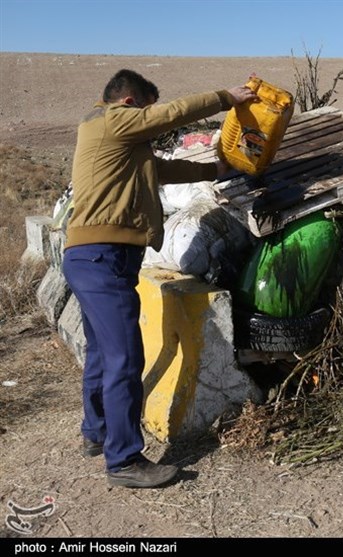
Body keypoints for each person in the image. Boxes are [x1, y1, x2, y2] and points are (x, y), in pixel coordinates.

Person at [62, 69, 257, 489]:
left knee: (102, 354)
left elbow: (161, 172)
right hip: (102, 256)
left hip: (93, 257)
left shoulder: (115, 142)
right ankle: (124, 460)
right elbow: (172, 114)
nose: (149, 121)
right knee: (124, 359)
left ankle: (96, 434)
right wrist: (226, 96)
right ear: (131, 103)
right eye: (146, 110)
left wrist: (214, 169)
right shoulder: (112, 120)